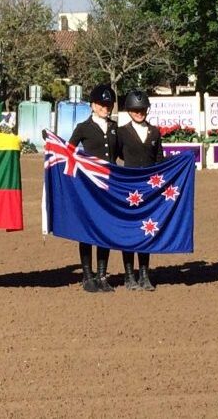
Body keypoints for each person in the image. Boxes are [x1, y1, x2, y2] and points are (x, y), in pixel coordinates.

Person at [69, 84, 118, 293]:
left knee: (105, 229)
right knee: (88, 230)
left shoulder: (115, 127)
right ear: (92, 106)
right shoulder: (83, 127)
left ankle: (102, 275)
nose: (105, 108)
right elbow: (68, 151)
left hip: (110, 186)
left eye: (108, 104)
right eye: (101, 104)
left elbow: (125, 153)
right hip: (89, 186)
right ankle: (87, 276)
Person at [116, 90, 163, 291]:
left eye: (142, 109)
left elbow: (159, 160)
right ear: (129, 111)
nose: (139, 113)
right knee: (130, 230)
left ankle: (144, 274)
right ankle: (129, 275)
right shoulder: (122, 132)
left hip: (149, 189)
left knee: (147, 229)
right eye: (135, 110)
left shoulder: (154, 132)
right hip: (129, 188)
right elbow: (116, 156)